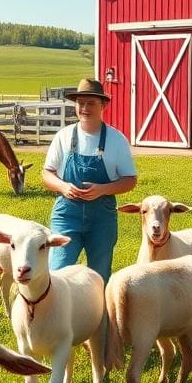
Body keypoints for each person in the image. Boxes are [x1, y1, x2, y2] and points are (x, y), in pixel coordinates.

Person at [41, 78, 136, 284]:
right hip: (67, 216)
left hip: (102, 219)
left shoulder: (117, 140)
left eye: (91, 103)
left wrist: (103, 189)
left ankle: (100, 306)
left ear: (103, 105)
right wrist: (63, 187)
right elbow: (47, 173)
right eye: (80, 103)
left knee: (99, 277)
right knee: (57, 273)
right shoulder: (63, 136)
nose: (84, 108)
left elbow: (130, 180)